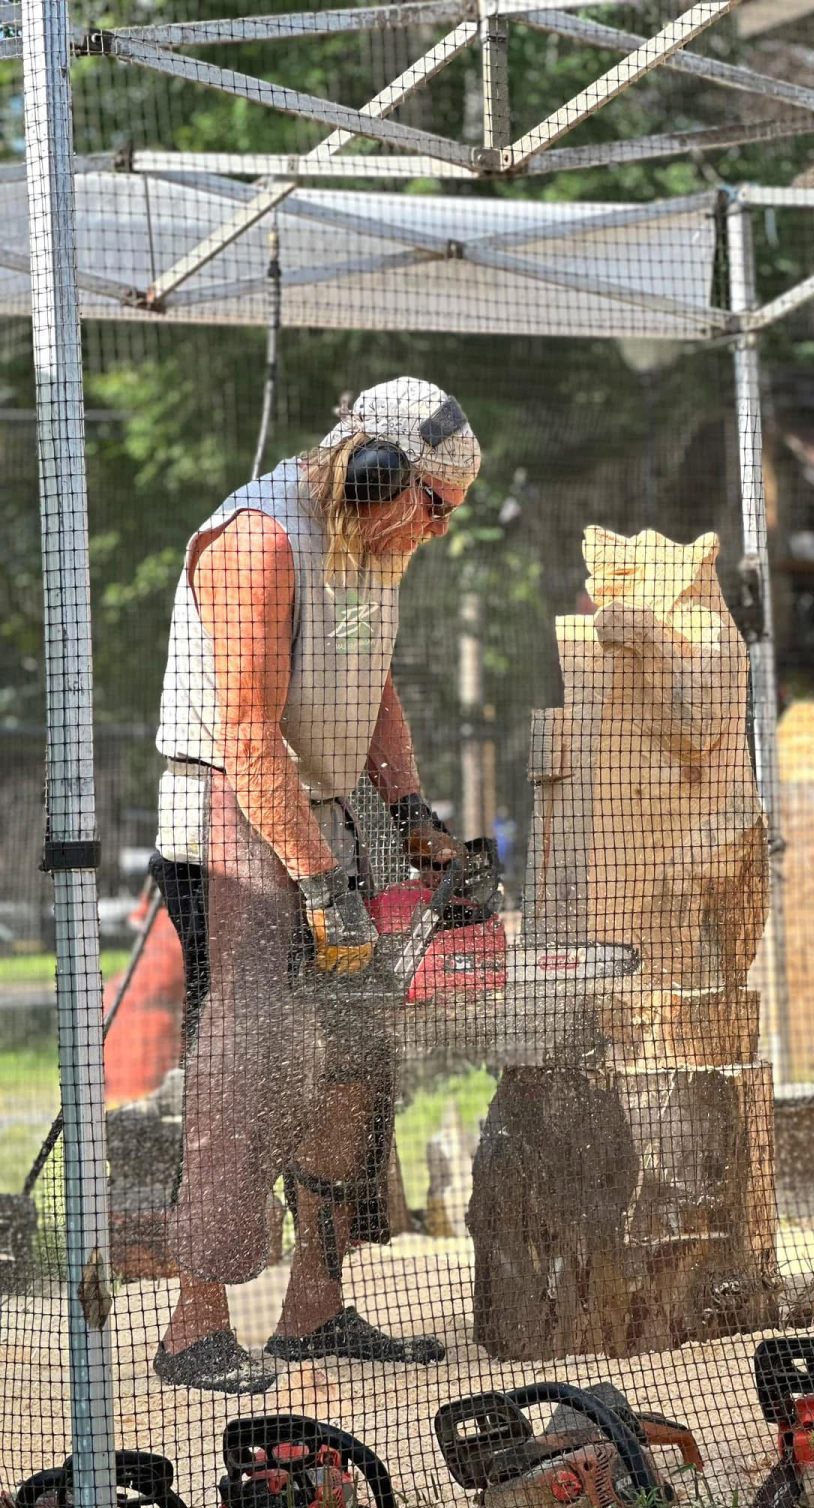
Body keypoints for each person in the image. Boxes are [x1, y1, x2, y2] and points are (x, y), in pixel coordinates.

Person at [150, 378, 480, 1392]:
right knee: (249, 1058)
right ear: (378, 474)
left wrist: (413, 811)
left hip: (325, 808)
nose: (434, 533)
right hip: (231, 811)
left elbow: (368, 678)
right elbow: (249, 735)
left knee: (353, 1055)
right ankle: (194, 1326)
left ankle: (315, 1305)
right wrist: (322, 883)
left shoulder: (368, 546)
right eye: (434, 508)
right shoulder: (260, 537)